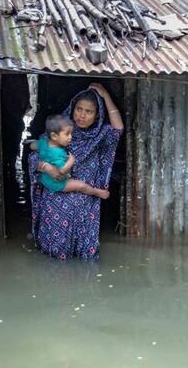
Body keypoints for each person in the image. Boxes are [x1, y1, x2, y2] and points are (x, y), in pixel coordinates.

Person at [28, 83, 123, 260]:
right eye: (79, 109)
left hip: (85, 200)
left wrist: (105, 96)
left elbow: (118, 129)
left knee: (84, 255)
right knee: (53, 256)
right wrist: (48, 167)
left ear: (97, 115)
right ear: (72, 108)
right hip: (56, 195)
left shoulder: (100, 135)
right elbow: (35, 153)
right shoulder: (60, 131)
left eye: (89, 111)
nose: (82, 115)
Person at [30, 114, 110, 199]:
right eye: (67, 134)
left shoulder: (43, 142)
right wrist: (71, 161)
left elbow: (32, 145)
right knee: (81, 186)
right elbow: (61, 171)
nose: (70, 137)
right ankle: (97, 192)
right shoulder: (57, 153)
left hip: (44, 178)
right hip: (57, 183)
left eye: (71, 134)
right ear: (54, 136)